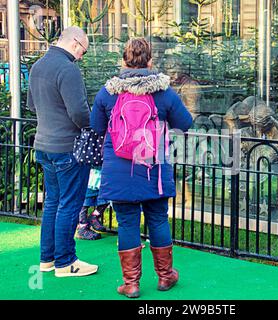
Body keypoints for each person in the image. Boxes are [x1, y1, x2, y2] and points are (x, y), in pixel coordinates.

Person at [90, 38, 193, 298]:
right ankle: (166, 277)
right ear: (150, 61)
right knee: (158, 219)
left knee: (127, 223)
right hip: (153, 168)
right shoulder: (164, 91)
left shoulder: (108, 92)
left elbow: (97, 127)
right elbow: (186, 123)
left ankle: (132, 283)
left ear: (123, 60)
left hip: (119, 169)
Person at [27, 26, 98, 277]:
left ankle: (47, 260)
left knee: (53, 203)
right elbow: (79, 113)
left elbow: (32, 106)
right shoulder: (68, 69)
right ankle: (66, 262)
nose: (81, 56)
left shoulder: (37, 66)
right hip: (68, 147)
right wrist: (94, 126)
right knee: (69, 204)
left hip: (44, 145)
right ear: (76, 43)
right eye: (84, 52)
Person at [76, 166, 109, 240]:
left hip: (103, 169)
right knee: (85, 200)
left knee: (108, 196)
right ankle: (82, 227)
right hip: (90, 169)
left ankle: (94, 216)